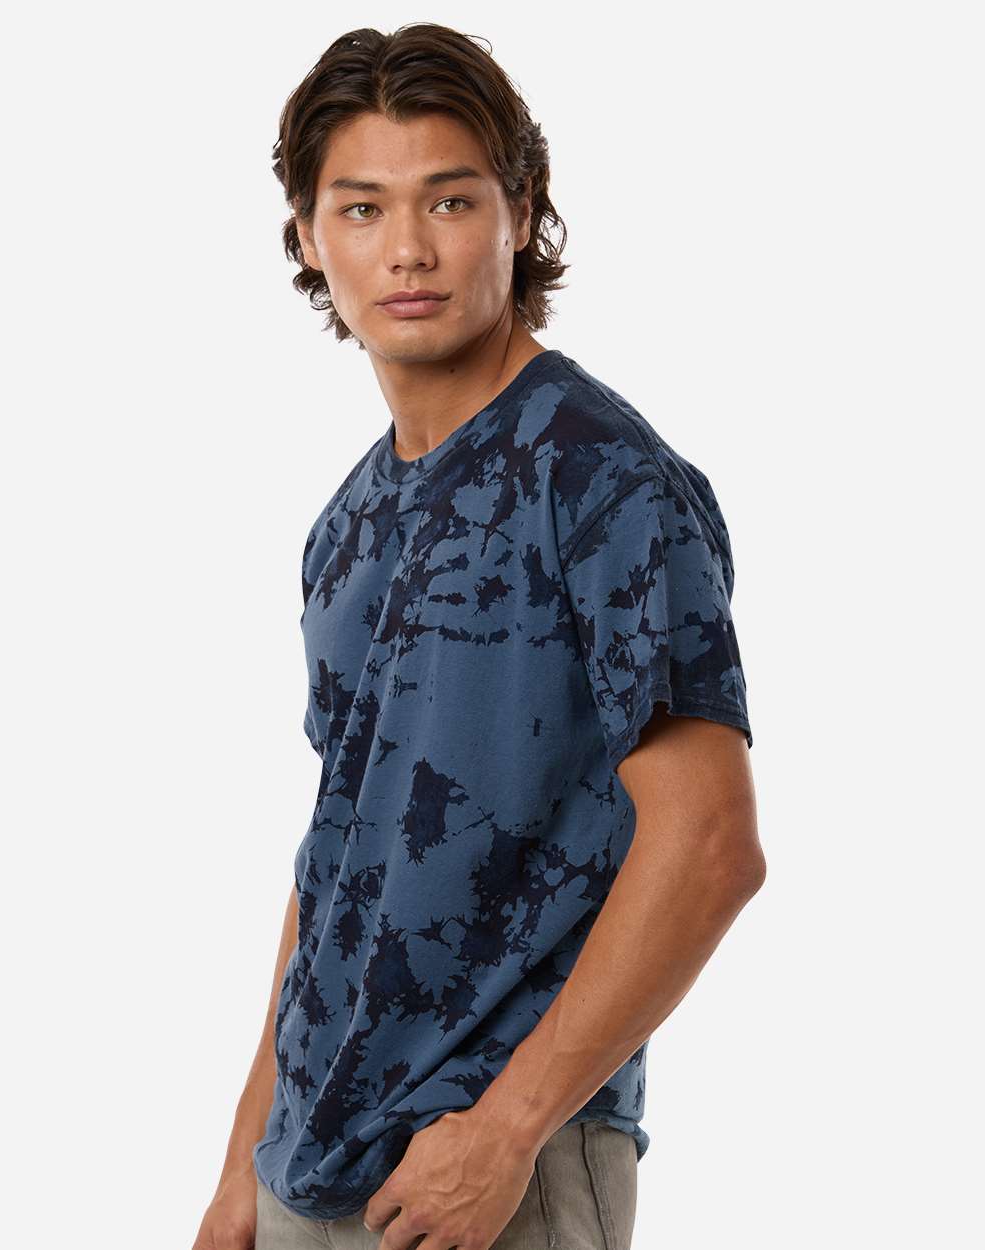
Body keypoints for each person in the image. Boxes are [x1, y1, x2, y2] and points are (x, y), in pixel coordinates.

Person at [192, 22, 765, 1250]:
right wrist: (245, 1156)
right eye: (360, 208)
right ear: (308, 236)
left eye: (449, 200)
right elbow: (340, 849)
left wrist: (505, 1131)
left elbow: (711, 842)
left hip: (492, 1168)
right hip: (310, 1161)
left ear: (520, 211)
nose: (407, 249)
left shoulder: (602, 477)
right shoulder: (346, 521)